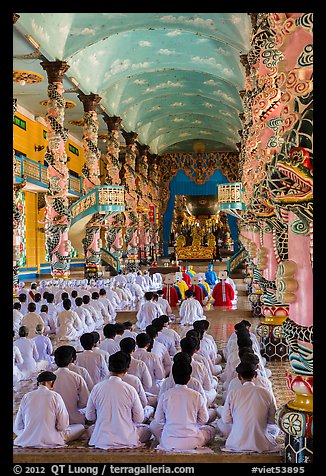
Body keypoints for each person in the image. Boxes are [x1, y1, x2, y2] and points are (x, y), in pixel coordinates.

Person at [85, 351, 152, 449]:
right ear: (126, 369)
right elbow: (139, 419)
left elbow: (90, 417)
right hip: (126, 438)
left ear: (109, 368)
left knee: (91, 429)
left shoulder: (97, 388)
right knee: (148, 430)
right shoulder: (130, 389)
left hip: (102, 439)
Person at [149, 359, 216, 450]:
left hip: (169, 440)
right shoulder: (196, 396)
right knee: (211, 430)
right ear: (189, 377)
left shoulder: (166, 395)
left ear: (173, 377)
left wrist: (171, 424)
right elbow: (204, 419)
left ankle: (169, 444)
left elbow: (159, 419)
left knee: (153, 425)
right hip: (193, 441)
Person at [217, 362, 280, 453]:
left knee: (220, 422)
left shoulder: (233, 393)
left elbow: (226, 420)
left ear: (239, 377)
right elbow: (272, 420)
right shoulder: (266, 393)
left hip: (235, 444)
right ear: (256, 375)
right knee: (276, 428)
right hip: (261, 444)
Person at [14, 371, 85, 448]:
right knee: (80, 427)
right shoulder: (55, 396)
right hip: (52, 439)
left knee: (14, 426)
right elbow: (63, 426)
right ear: (52, 383)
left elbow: (18, 425)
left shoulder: (26, 396)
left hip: (28, 439)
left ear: (38, 383)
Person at [53, 346, 90, 425]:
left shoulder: (50, 379)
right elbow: (85, 401)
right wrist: (74, 407)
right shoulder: (76, 377)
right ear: (71, 360)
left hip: (54, 421)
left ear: (55, 361)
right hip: (75, 420)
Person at [133, 333, 165, 397]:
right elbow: (160, 376)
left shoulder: (132, 356)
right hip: (151, 391)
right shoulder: (153, 356)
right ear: (148, 344)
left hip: (134, 390)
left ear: (136, 343)